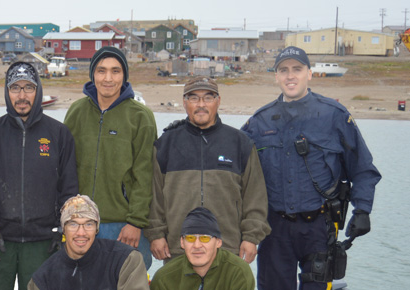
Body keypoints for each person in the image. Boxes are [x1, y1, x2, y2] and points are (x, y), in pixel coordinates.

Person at [242, 46, 381, 290]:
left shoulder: (334, 115)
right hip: (274, 230)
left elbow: (363, 169)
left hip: (319, 228)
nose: (290, 76)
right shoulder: (258, 121)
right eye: (283, 70)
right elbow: (235, 173)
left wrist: (363, 211)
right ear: (276, 77)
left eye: (297, 69)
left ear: (309, 73)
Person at [0, 61, 78, 290]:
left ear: (38, 90)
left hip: (44, 242)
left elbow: (68, 187)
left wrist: (64, 225)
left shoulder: (58, 134)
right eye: (15, 88)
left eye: (28, 88)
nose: (22, 95)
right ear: (7, 92)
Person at [145, 77, 270, 264]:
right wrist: (156, 234)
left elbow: (255, 196)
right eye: (194, 98)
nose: (201, 104)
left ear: (218, 101)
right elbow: (153, 196)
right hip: (178, 249)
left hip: (227, 248)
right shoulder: (166, 144)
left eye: (208, 98)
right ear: (184, 102)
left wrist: (251, 238)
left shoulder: (240, 143)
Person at [64, 46, 157, 269]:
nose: (108, 78)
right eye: (101, 71)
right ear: (92, 75)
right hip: (80, 223)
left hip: (123, 225)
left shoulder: (140, 116)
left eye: (115, 71)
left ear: (124, 76)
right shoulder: (76, 112)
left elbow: (145, 174)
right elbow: (64, 168)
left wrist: (135, 222)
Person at [28, 195, 149, 290]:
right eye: (73, 224)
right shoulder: (44, 277)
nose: (81, 232)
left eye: (89, 224)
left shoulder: (125, 260)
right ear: (64, 229)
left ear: (97, 229)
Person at [150, 207, 256, 290]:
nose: (197, 245)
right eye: (190, 238)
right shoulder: (164, 278)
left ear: (218, 242)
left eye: (205, 238)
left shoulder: (238, 272)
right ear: (182, 242)